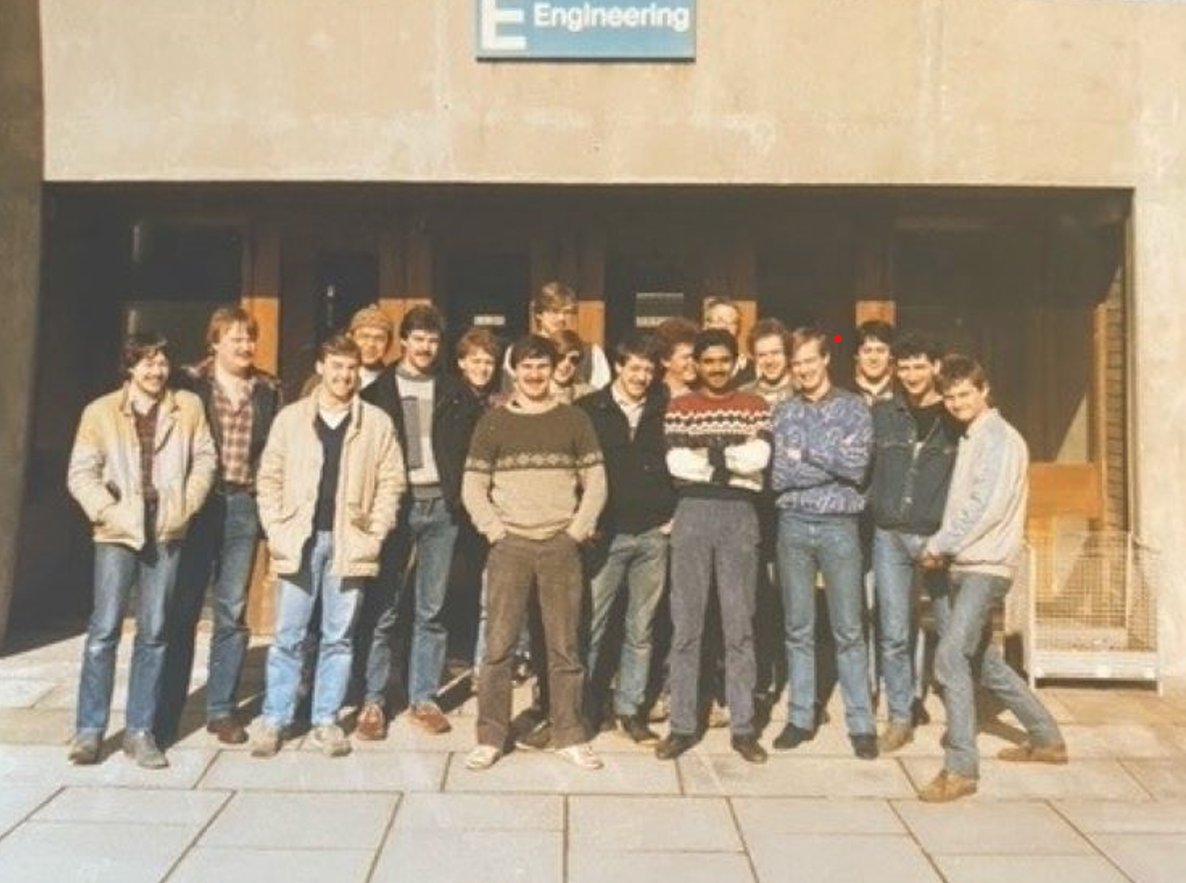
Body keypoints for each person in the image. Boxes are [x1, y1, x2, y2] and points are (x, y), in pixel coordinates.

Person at [917, 354, 1067, 802]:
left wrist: (939, 543)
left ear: (985, 391)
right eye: (950, 396)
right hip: (966, 564)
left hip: (985, 567)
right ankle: (1046, 738)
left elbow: (983, 506)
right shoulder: (973, 436)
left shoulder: (999, 438)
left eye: (965, 394)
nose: (958, 402)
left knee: (948, 658)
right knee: (983, 661)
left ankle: (961, 769)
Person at [66, 332, 217, 768]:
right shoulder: (100, 412)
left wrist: (186, 505)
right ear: (130, 367)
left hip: (167, 528)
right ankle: (89, 730)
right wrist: (107, 511)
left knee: (154, 632)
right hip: (117, 531)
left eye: (162, 362)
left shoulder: (187, 407)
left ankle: (140, 729)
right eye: (147, 363)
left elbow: (205, 458)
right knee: (104, 632)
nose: (156, 371)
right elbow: (81, 473)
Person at [251, 334, 405, 758]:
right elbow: (268, 478)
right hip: (299, 540)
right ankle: (275, 717)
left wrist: (374, 531)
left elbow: (392, 481)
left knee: (340, 637)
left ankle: (325, 720)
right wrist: (278, 529)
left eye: (351, 368)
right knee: (289, 635)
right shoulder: (291, 419)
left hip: (349, 541)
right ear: (321, 367)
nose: (344, 375)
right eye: (336, 366)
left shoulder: (375, 423)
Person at [462, 334, 607, 771]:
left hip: (560, 546)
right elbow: (472, 485)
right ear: (514, 371)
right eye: (526, 367)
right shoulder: (494, 422)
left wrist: (576, 532)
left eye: (542, 366)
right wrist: (494, 531)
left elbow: (596, 482)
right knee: (499, 647)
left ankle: (568, 733)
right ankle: (491, 736)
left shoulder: (575, 419)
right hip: (510, 547)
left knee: (564, 646)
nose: (535, 374)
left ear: (552, 369)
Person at [156, 307, 283, 748]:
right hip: (199, 505)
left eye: (249, 338)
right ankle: (166, 708)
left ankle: (221, 710)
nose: (245, 346)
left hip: (243, 504)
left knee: (232, 611)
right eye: (235, 338)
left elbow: (272, 453)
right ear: (214, 343)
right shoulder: (188, 383)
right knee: (185, 607)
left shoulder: (268, 389)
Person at [355, 305, 481, 739]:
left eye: (433, 340)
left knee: (431, 608)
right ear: (404, 341)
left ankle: (423, 697)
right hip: (396, 507)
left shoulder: (454, 390)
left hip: (440, 508)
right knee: (384, 607)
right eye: (419, 338)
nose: (426, 347)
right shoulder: (378, 392)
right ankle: (373, 699)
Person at [655, 328, 771, 764]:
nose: (717, 368)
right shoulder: (681, 407)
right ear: (696, 365)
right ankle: (682, 725)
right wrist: (729, 458)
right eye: (708, 361)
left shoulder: (754, 405)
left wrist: (711, 458)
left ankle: (743, 727)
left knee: (739, 624)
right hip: (693, 514)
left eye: (724, 360)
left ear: (735, 362)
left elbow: (759, 460)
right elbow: (677, 464)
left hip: (740, 516)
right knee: (687, 623)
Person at [771, 326, 878, 760]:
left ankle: (861, 724)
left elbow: (856, 468)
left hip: (839, 526)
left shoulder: (855, 409)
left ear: (825, 360)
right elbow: (779, 475)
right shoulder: (783, 412)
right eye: (797, 365)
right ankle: (800, 717)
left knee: (848, 628)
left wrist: (806, 456)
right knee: (798, 627)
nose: (803, 370)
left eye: (810, 361)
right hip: (793, 524)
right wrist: (825, 461)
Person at [577, 334, 675, 743]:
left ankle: (630, 709)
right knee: (594, 625)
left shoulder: (663, 408)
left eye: (648, 370)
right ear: (619, 366)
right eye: (634, 368)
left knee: (642, 627)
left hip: (653, 534)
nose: (641, 377)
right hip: (607, 534)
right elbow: (576, 469)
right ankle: (586, 706)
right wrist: (585, 518)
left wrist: (673, 516)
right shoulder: (590, 409)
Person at [868, 333, 962, 753]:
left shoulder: (954, 417)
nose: (910, 375)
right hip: (889, 535)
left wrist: (948, 535)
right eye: (903, 367)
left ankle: (959, 720)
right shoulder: (884, 413)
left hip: (935, 538)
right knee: (893, 629)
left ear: (936, 367)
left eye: (919, 366)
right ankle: (901, 715)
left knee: (948, 630)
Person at [502, 282, 610, 390]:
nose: (561, 318)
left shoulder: (591, 353)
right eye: (554, 311)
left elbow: (600, 396)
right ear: (539, 314)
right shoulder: (519, 350)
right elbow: (510, 392)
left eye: (567, 312)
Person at [702, 296, 755, 386]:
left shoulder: (752, 369)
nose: (725, 326)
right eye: (720, 320)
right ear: (706, 325)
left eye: (731, 322)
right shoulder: (693, 368)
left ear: (738, 329)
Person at [853, 320, 896, 406]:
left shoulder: (904, 393)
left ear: (891, 356)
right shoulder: (843, 394)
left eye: (880, 351)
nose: (873, 358)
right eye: (867, 351)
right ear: (857, 356)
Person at [655, 317, 699, 399]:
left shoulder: (703, 394)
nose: (693, 362)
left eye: (696, 356)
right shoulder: (652, 397)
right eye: (686, 357)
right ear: (665, 360)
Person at [551, 329, 595, 404]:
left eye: (574, 359)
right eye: (560, 357)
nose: (566, 364)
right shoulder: (533, 392)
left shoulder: (588, 395)